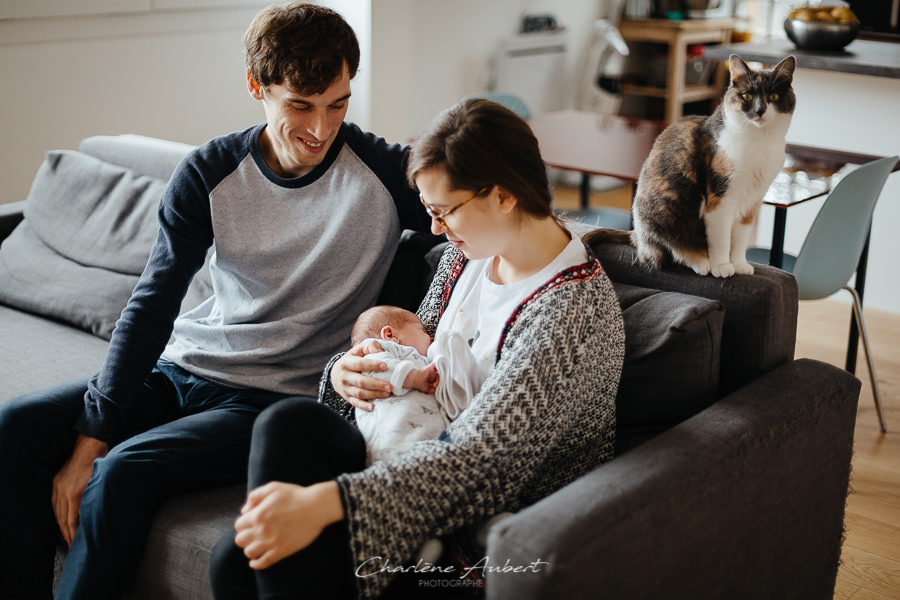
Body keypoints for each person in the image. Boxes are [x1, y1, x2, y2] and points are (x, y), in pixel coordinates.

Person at [0, 3, 431, 599]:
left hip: (270, 399)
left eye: (338, 103)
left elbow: (475, 209)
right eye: (299, 106)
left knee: (122, 472)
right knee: (15, 426)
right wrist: (91, 432)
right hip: (183, 368)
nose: (321, 129)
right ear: (257, 86)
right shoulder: (209, 171)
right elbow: (153, 303)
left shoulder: (384, 173)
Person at [208, 97, 627, 600]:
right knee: (286, 425)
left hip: (474, 522)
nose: (434, 229)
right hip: (407, 451)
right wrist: (350, 371)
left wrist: (326, 503)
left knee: (239, 562)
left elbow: (484, 459)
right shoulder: (465, 256)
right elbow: (414, 349)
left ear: (502, 196)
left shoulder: (571, 310)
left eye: (443, 211)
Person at [350, 305, 486, 465]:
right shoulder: (376, 351)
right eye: (423, 331)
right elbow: (381, 368)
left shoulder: (417, 361)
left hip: (431, 440)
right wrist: (414, 377)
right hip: (393, 439)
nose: (431, 337)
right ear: (390, 334)